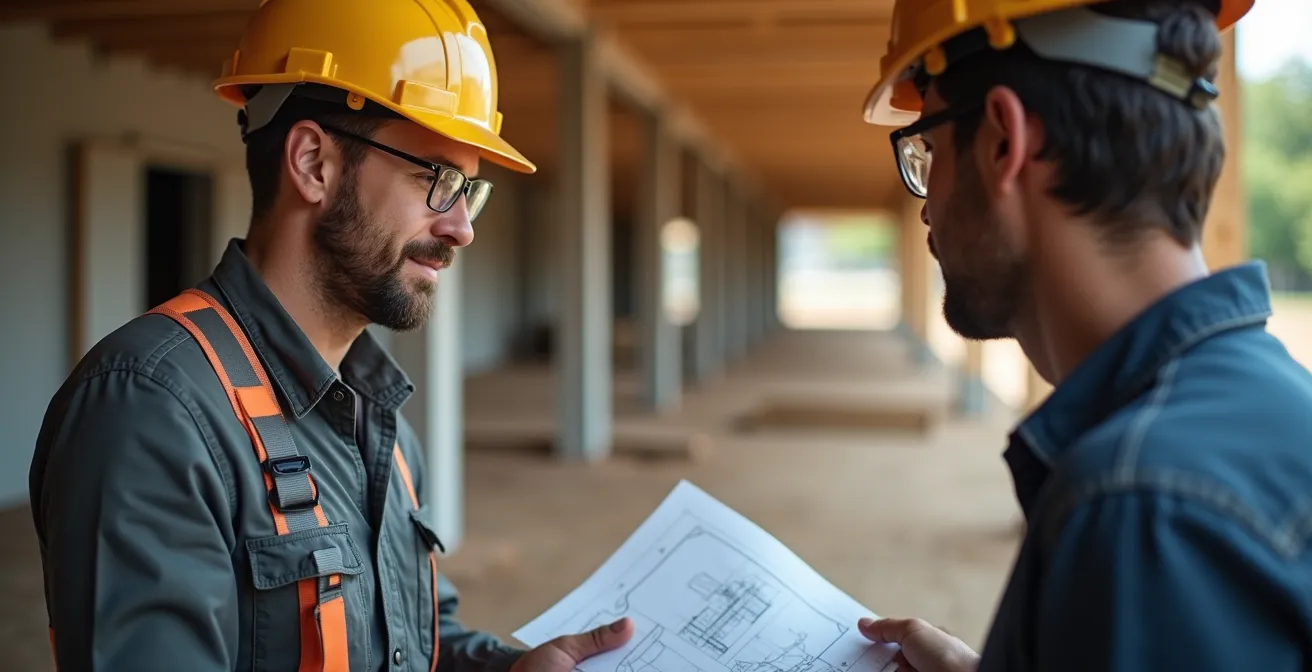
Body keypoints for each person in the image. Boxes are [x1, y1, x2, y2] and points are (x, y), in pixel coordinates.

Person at [28, 0, 635, 670]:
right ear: (314, 162)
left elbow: (406, 639)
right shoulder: (153, 410)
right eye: (436, 178)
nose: (462, 227)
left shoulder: (382, 424)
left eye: (470, 190)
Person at [853, 0, 1312, 670]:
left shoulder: (1138, 504)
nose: (927, 204)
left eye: (928, 149)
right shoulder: (1270, 408)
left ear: (1004, 142)